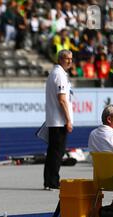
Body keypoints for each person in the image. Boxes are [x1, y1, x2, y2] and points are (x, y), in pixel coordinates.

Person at [43, 49, 74, 191]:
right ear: (60, 59)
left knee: (52, 152)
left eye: (71, 59)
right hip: (59, 121)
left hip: (55, 119)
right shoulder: (59, 75)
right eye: (67, 58)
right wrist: (68, 120)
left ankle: (49, 181)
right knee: (57, 153)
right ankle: (53, 182)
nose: (70, 61)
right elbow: (62, 100)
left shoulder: (56, 73)